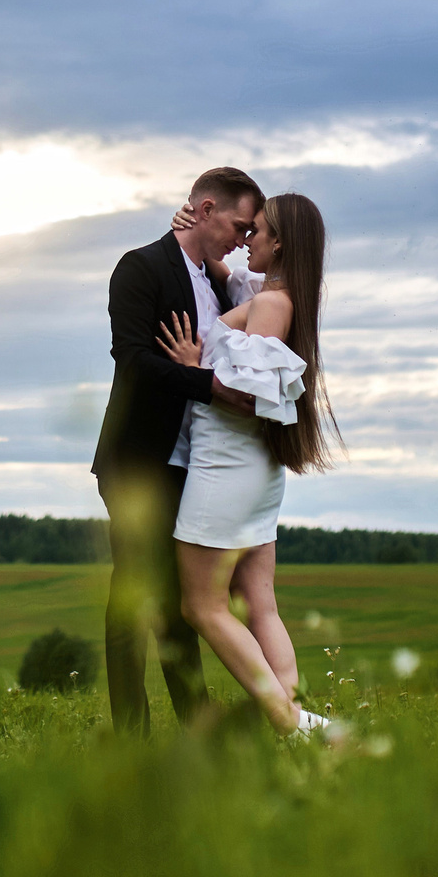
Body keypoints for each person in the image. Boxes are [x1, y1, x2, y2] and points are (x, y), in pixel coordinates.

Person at [89, 166, 266, 734]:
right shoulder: (139, 267)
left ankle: (195, 731)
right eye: (238, 226)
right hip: (138, 462)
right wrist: (208, 386)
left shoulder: (218, 283)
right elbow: (133, 358)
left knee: (182, 602)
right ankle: (131, 737)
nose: (242, 241)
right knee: (135, 591)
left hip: (196, 465)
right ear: (206, 209)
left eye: (250, 233)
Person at [156, 190, 337, 737]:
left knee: (202, 606)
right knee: (258, 601)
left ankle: (293, 727)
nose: (245, 240)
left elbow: (250, 389)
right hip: (252, 469)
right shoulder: (269, 293)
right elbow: (219, 272)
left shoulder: (272, 305)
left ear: (279, 242)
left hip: (228, 465)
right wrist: (189, 228)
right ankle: (294, 721)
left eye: (254, 231)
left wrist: (195, 366)